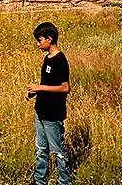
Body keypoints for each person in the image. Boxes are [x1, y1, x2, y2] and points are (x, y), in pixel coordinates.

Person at [28, 22, 72, 185]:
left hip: (53, 114)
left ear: (49, 39)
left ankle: (64, 181)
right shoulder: (47, 58)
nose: (38, 44)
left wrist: (40, 87)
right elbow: (47, 84)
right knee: (41, 150)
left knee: (58, 151)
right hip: (40, 111)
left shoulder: (60, 60)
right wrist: (35, 91)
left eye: (39, 40)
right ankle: (39, 180)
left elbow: (64, 88)